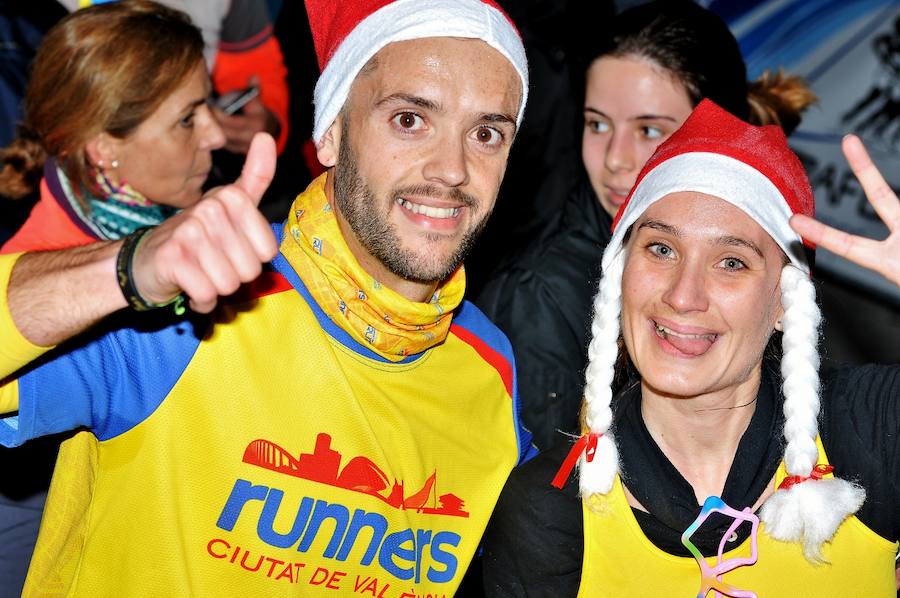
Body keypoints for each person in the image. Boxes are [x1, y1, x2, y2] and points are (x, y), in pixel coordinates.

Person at [0, 0, 533, 594]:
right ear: (330, 132)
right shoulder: (195, 303)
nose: (453, 169)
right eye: (409, 119)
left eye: (486, 133)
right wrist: (123, 270)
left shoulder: (492, 369)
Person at [481, 99, 900, 596]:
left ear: (786, 301)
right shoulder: (549, 510)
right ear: (619, 273)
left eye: (731, 263)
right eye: (661, 249)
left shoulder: (870, 426)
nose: (683, 295)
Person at [476, 0, 816, 450]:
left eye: (650, 131)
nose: (615, 159)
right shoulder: (540, 298)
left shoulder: (775, 242)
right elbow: (544, 500)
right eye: (597, 124)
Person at [0, 3, 224, 594]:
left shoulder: (175, 222)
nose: (217, 134)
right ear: (105, 149)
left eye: (211, 104)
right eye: (187, 119)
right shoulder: (36, 279)